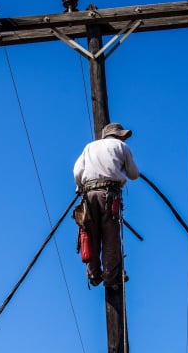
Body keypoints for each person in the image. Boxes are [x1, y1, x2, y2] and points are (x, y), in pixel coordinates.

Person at [73, 122, 139, 288]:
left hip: (88, 196)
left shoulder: (89, 147)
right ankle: (111, 277)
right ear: (117, 135)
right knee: (111, 237)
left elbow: (77, 172)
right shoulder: (121, 147)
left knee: (91, 235)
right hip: (109, 195)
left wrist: (82, 184)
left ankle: (94, 275)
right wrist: (121, 168)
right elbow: (134, 174)